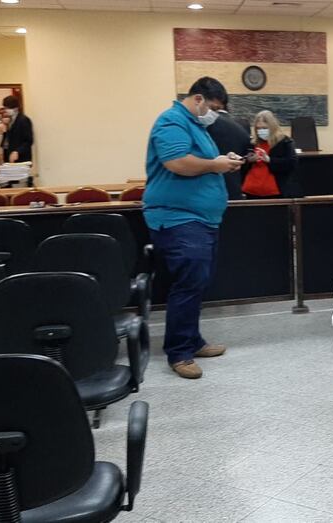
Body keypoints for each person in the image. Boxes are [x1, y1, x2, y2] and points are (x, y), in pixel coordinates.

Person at [143, 76, 244, 379]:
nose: (215, 115)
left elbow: (202, 160)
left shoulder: (196, 126)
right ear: (198, 99)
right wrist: (215, 165)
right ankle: (179, 353)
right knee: (188, 284)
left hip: (200, 219)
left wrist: (223, 160)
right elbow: (177, 162)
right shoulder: (171, 122)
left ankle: (193, 340)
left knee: (197, 282)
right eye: (213, 108)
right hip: (179, 218)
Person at [241, 110, 300, 198]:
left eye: (264, 128)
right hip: (252, 189)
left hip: (274, 190)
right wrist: (249, 160)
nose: (261, 131)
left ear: (272, 127)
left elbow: (292, 163)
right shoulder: (252, 143)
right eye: (258, 128)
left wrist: (270, 160)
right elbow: (242, 163)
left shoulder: (284, 141)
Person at [202, 102, 251, 200]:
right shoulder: (241, 127)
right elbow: (245, 158)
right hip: (234, 185)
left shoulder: (204, 125)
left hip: (207, 186)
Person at [0, 95, 34, 164]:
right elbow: (6, 140)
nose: (6, 110)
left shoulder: (24, 120)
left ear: (16, 108)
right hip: (9, 156)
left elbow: (29, 141)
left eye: (8, 108)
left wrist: (17, 151)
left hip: (21, 158)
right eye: (5, 108)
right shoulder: (9, 120)